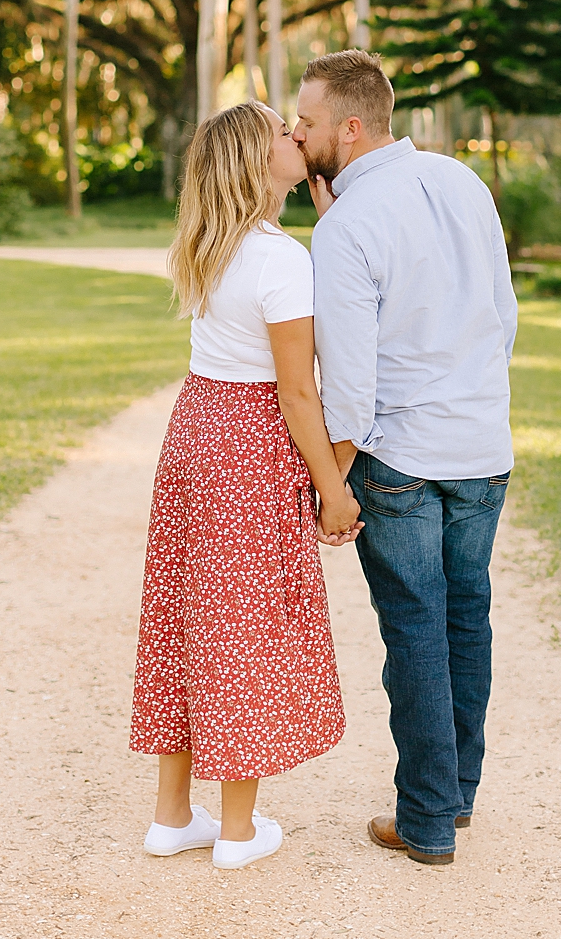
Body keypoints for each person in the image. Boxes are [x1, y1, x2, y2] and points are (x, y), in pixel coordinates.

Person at [292, 49, 519, 867]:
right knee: (467, 617)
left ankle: (422, 820)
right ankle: (454, 797)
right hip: (484, 449)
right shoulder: (463, 183)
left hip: (402, 463)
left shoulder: (349, 228)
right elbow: (504, 315)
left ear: (349, 130)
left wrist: (330, 485)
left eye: (307, 123)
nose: (296, 134)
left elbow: (348, 390)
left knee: (417, 630)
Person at [131, 100, 361, 871]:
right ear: (259, 161)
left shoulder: (211, 242)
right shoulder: (280, 258)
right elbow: (298, 393)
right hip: (251, 440)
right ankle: (237, 829)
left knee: (186, 613)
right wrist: (332, 488)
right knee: (246, 625)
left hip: (197, 426)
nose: (295, 136)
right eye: (280, 132)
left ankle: (173, 815)